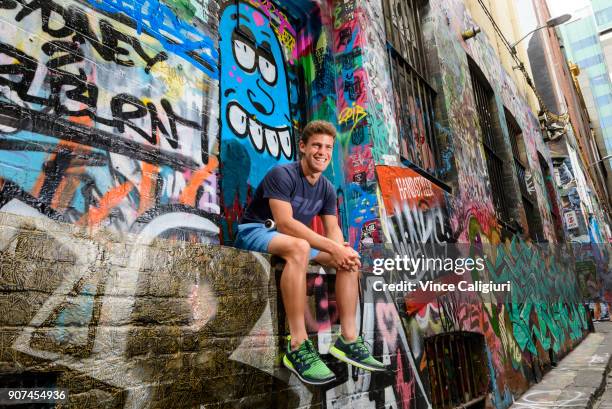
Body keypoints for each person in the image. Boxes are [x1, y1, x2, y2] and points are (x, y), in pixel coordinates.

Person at [234, 120, 386, 385]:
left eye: (328, 147)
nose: (322, 152)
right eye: (316, 145)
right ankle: (298, 345)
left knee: (350, 259)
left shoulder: (326, 188)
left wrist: (341, 250)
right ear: (302, 147)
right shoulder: (282, 174)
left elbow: (333, 228)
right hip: (257, 230)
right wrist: (331, 247)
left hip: (290, 239)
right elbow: (285, 223)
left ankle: (348, 340)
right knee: (301, 247)